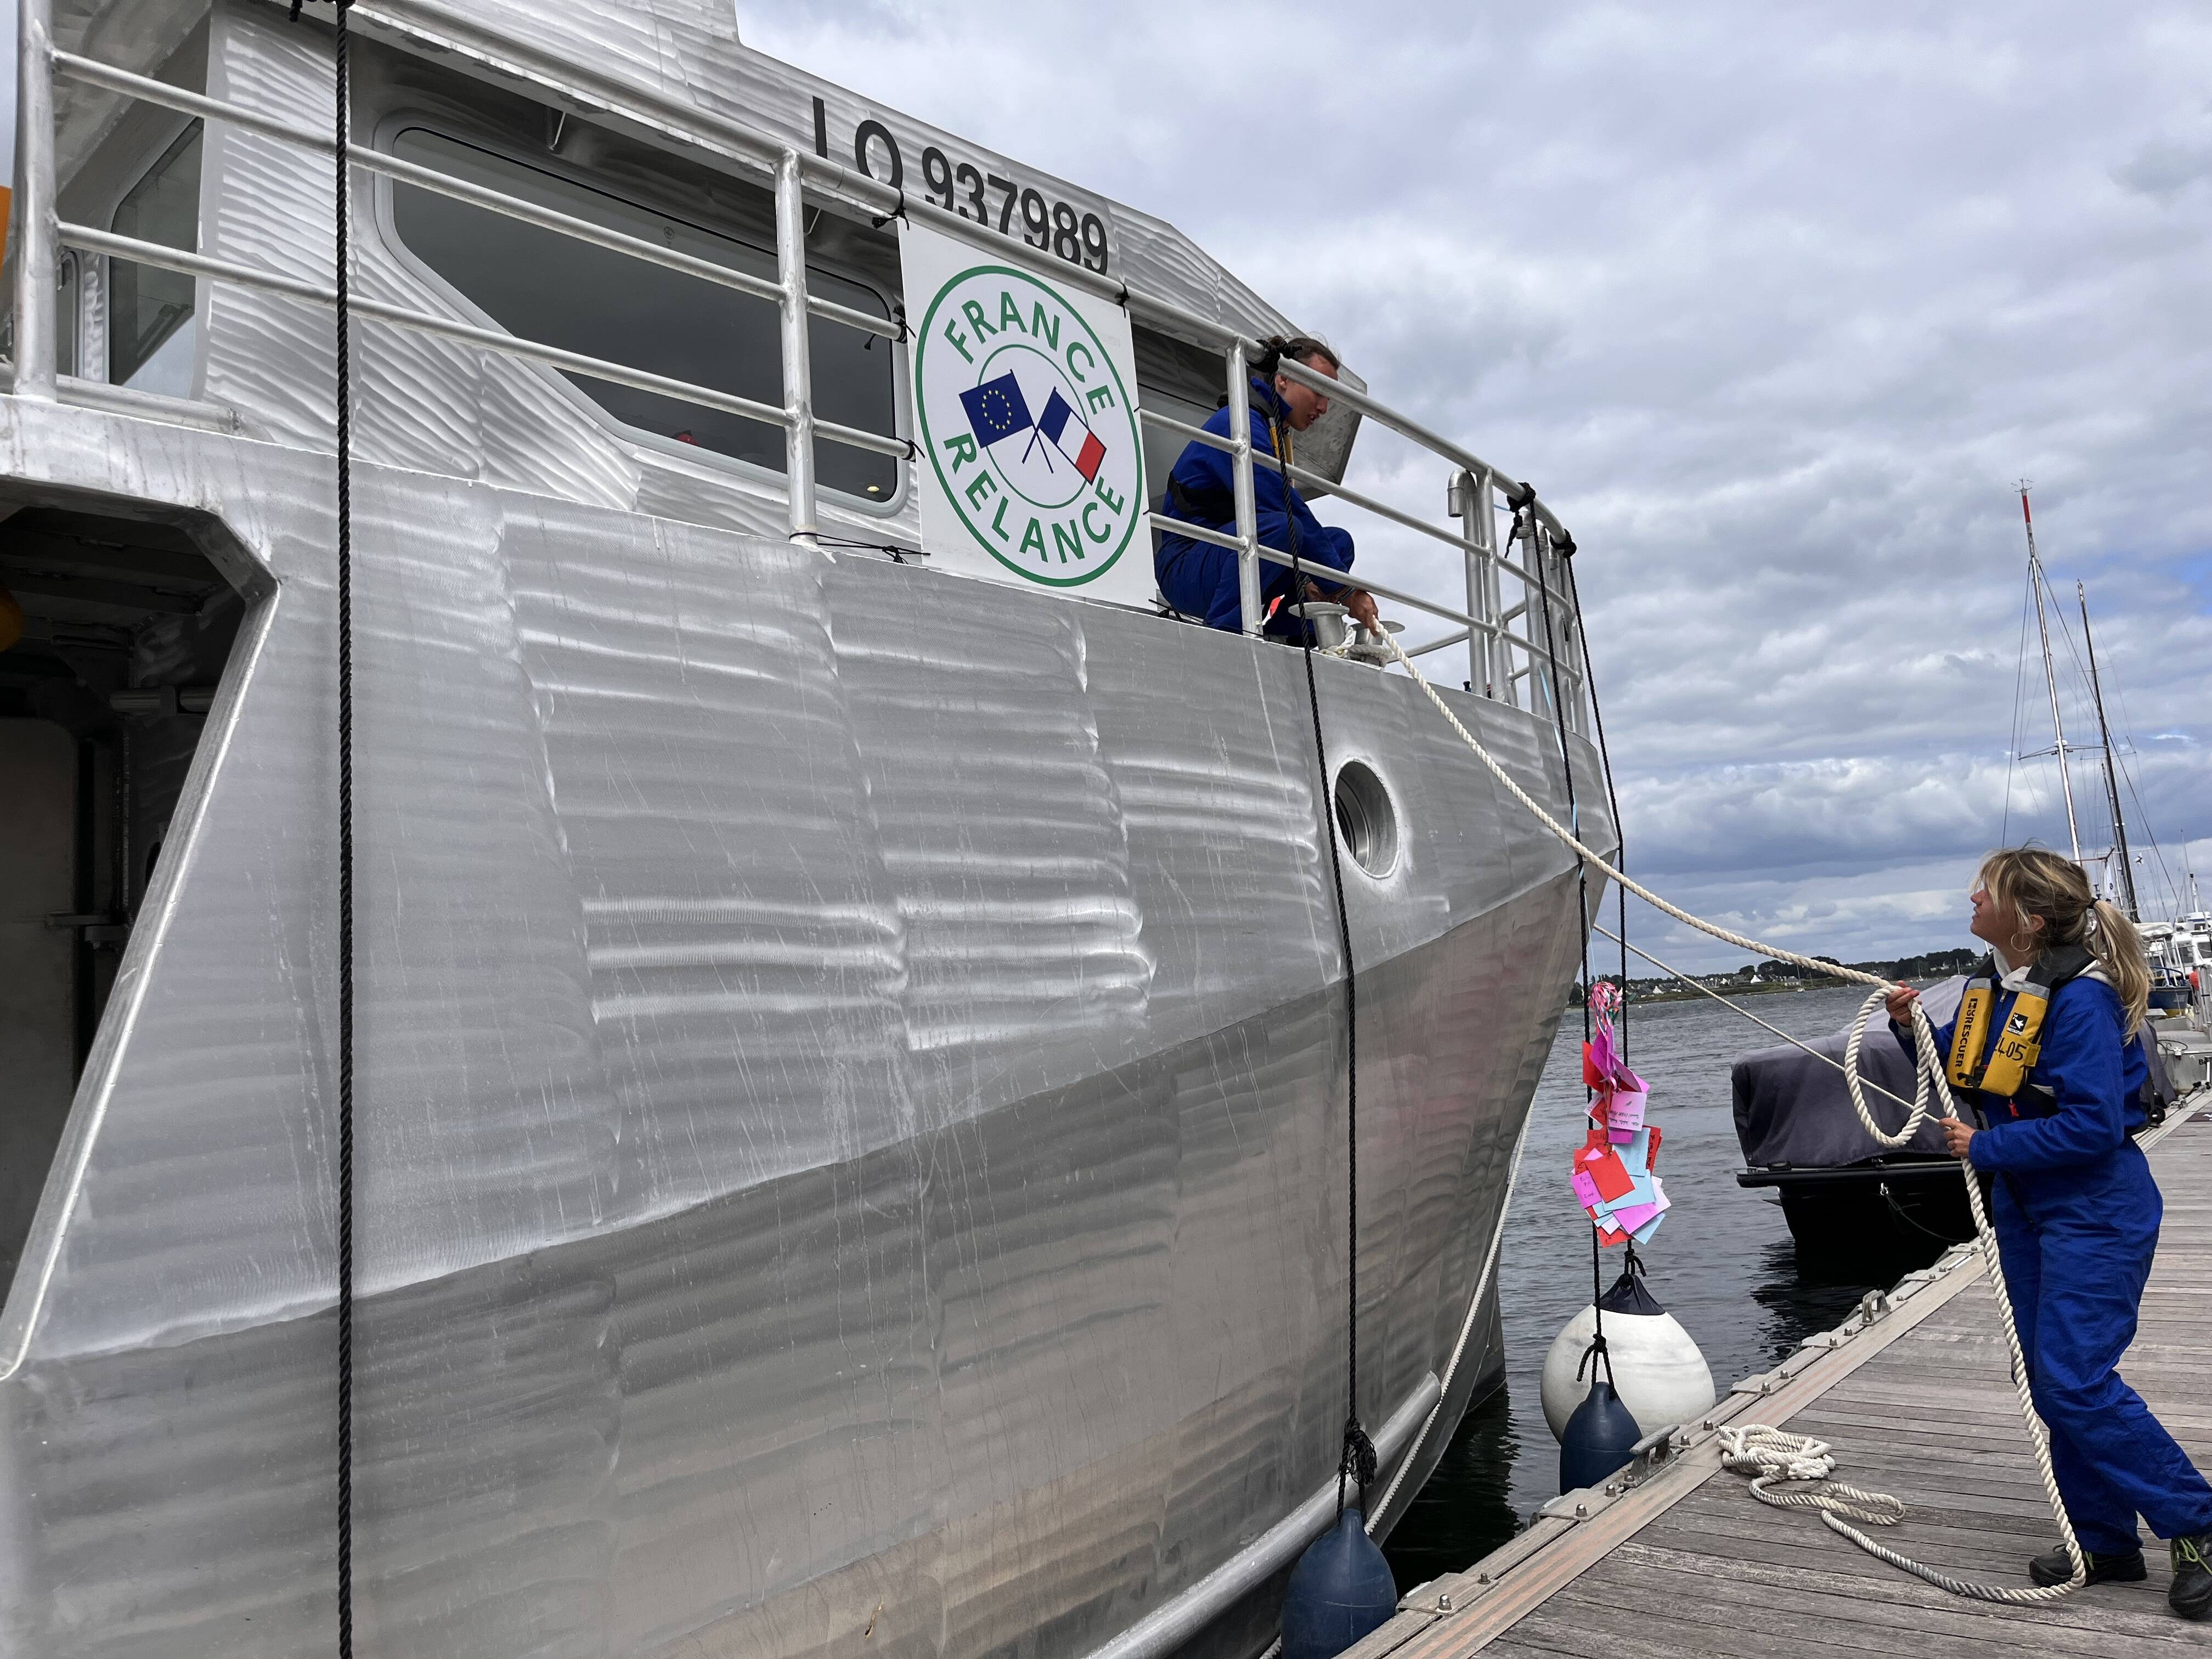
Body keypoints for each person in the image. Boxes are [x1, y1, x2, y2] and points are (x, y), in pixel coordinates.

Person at [1886, 848, 2212, 1617]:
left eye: (1985, 890)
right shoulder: (1996, 989)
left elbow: (2095, 1124)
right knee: (2048, 1381)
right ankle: (2104, 1541)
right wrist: (1909, 1032)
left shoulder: (2082, 1001)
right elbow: (1970, 1078)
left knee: (2074, 1378)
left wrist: (1987, 1149)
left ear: (2028, 921)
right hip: (2031, 1211)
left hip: (2096, 1211)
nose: (1970, 896)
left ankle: (2197, 1521)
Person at [1154, 335, 1379, 639]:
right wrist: (1346, 589)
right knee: (1286, 529)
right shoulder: (1238, 424)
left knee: (1338, 542)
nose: (1324, 407)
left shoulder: (1271, 429)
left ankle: (1300, 633)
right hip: (1185, 567)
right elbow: (1282, 505)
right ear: (1283, 378)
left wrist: (1325, 579)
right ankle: (1227, 636)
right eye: (1319, 391)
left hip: (1227, 557)